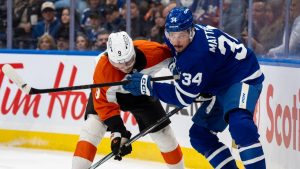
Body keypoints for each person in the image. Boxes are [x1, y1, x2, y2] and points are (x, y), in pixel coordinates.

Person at [123, 7, 266, 169]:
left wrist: (147, 85)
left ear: (191, 32)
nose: (176, 41)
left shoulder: (197, 55)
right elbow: (178, 57)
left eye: (182, 36)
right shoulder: (179, 39)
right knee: (200, 136)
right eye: (172, 35)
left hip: (243, 76)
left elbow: (182, 98)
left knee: (240, 124)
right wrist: (177, 68)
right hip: (220, 83)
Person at [72, 31, 184, 169]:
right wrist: (118, 132)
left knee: (164, 134)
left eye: (128, 61)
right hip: (110, 96)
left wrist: (187, 78)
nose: (125, 67)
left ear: (133, 51)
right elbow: (104, 105)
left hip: (141, 90)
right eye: (119, 64)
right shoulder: (103, 69)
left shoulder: (151, 51)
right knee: (92, 128)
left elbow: (174, 57)